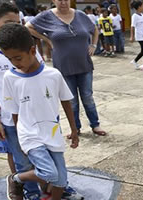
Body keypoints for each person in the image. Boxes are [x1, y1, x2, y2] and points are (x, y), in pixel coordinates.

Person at [0, 23, 80, 200]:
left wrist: (74, 128)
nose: (14, 63)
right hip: (30, 134)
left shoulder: (53, 75)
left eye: (18, 58)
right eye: (9, 59)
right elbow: (15, 114)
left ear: (32, 50)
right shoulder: (10, 78)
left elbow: (66, 101)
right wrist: (20, 140)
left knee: (60, 178)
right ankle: (16, 179)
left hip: (52, 132)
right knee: (49, 172)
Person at [0, 0, 45, 200]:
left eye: (18, 23)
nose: (15, 28)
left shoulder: (29, 46)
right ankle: (32, 194)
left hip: (37, 115)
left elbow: (42, 78)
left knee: (47, 154)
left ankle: (55, 186)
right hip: (11, 119)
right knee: (21, 158)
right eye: (9, 23)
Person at [27, 0, 107, 136]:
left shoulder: (80, 15)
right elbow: (28, 27)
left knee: (88, 97)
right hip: (63, 66)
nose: (63, 2)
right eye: (60, 0)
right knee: (71, 100)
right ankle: (75, 128)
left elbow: (94, 30)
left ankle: (95, 124)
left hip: (84, 64)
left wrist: (93, 45)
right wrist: (46, 39)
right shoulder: (46, 16)